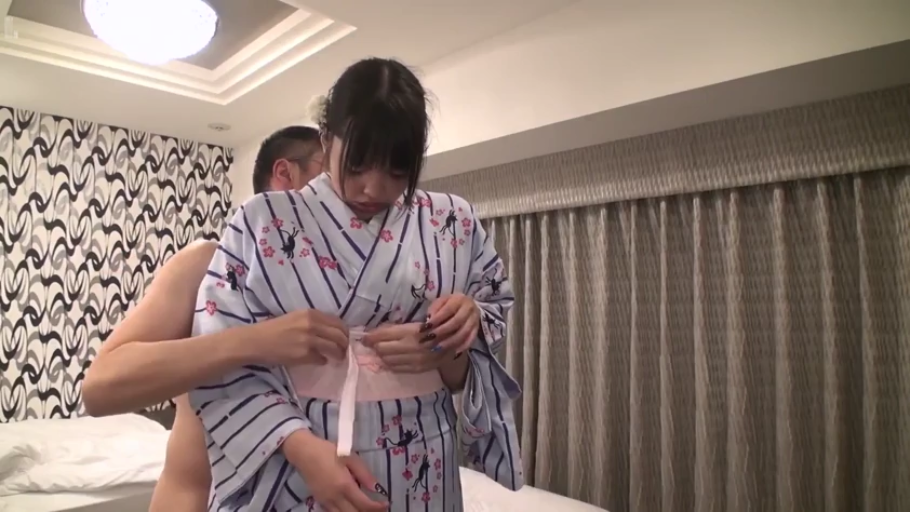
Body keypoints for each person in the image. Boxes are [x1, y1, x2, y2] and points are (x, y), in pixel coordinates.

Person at [190, 57, 523, 512]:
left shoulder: (454, 220)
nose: (374, 189)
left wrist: (462, 325)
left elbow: (485, 322)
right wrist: (301, 449)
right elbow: (218, 349)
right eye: (359, 165)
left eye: (397, 172)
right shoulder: (261, 221)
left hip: (425, 456)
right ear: (327, 140)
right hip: (298, 451)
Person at [82, 125, 467, 512]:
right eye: (337, 172)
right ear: (286, 175)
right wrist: (255, 340)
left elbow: (455, 377)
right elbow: (99, 388)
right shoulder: (205, 264)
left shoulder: (391, 279)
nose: (364, 193)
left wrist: (445, 338)